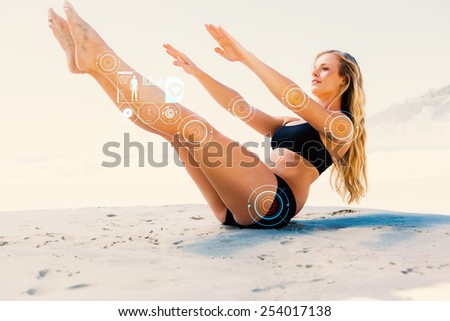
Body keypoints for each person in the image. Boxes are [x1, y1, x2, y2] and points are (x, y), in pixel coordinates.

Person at [48, 1, 367, 229]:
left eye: (324, 68)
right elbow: (240, 107)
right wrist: (199, 73)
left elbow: (293, 96)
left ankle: (103, 58)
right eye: (315, 66)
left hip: (272, 204)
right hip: (233, 208)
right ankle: (93, 70)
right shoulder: (290, 122)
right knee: (176, 133)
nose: (315, 71)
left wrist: (245, 57)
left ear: (344, 80)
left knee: (194, 128)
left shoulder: (341, 127)